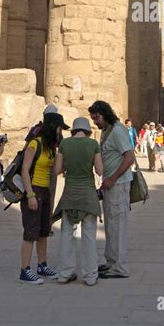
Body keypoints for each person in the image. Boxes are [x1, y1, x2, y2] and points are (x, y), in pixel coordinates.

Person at [19, 112, 68, 284]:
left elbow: (55, 170)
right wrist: (30, 194)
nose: (60, 132)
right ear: (52, 127)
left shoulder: (50, 147)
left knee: (43, 232)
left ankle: (42, 265)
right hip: (33, 190)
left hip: (45, 191)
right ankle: (25, 271)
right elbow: (25, 170)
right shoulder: (35, 144)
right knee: (30, 232)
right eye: (60, 128)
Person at [53, 117, 103, 286]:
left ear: (73, 130)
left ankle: (64, 273)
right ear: (87, 130)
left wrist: (68, 164)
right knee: (89, 236)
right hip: (88, 195)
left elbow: (57, 170)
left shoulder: (64, 144)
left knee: (67, 234)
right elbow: (99, 170)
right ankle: (90, 275)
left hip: (70, 195)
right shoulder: (93, 144)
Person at [89, 100, 135, 279]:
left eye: (97, 117)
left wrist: (113, 178)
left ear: (105, 114)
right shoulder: (107, 131)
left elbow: (129, 157)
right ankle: (111, 261)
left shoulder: (117, 130)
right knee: (111, 225)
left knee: (118, 226)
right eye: (93, 118)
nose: (95, 122)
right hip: (110, 184)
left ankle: (120, 267)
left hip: (118, 184)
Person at [24, 103, 61, 235]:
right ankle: (46, 224)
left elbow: (26, 144)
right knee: (49, 195)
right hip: (46, 164)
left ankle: (43, 224)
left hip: (38, 165)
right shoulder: (55, 130)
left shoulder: (35, 129)